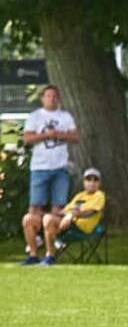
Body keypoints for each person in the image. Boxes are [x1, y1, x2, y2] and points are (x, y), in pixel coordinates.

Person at [20, 84, 79, 265]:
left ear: (58, 99)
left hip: (60, 168)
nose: (51, 99)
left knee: (57, 209)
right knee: (34, 210)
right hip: (39, 168)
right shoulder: (35, 117)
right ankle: (32, 251)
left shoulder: (65, 117)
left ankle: (51, 250)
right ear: (42, 98)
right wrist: (46, 136)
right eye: (48, 96)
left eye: (54, 96)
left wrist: (59, 135)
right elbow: (27, 139)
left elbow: (75, 137)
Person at [44, 168, 107, 262]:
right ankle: (53, 245)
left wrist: (71, 216)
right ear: (84, 182)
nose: (92, 182)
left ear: (99, 183)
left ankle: (51, 252)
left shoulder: (99, 195)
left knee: (49, 220)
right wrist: (63, 215)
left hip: (83, 228)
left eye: (95, 180)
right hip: (69, 225)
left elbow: (90, 212)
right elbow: (65, 210)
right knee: (46, 218)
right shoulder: (80, 195)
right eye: (88, 179)